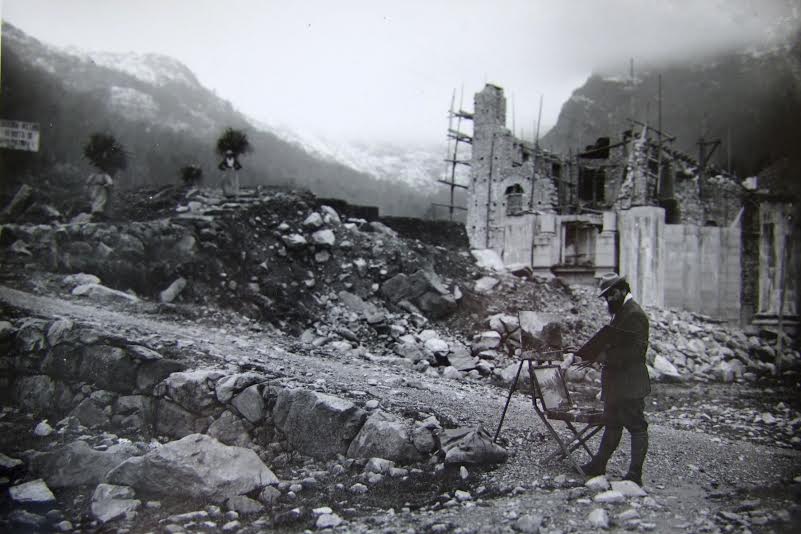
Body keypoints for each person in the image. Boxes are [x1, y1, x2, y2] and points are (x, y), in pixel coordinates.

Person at [577, 272, 650, 486]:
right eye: (606, 296)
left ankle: (635, 474)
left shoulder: (634, 314)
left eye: (612, 294)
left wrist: (603, 356)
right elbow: (616, 341)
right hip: (617, 382)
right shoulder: (622, 311)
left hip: (630, 383)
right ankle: (599, 464)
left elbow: (636, 352)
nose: (609, 299)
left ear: (623, 290)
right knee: (612, 423)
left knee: (636, 426)